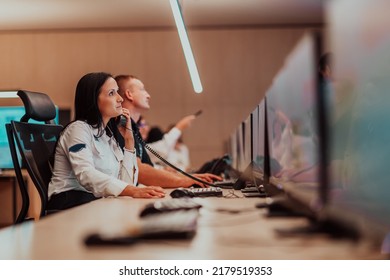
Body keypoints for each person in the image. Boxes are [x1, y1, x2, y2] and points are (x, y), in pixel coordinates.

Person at [47, 72, 165, 210]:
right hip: (69, 203)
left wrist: (129, 141)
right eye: (111, 93)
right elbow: (86, 174)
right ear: (93, 100)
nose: (120, 98)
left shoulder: (107, 136)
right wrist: (131, 190)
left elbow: (127, 183)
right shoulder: (78, 129)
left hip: (92, 202)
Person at [114, 74, 221, 188]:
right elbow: (139, 170)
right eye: (142, 89)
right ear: (129, 94)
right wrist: (184, 181)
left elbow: (146, 167)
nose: (148, 95)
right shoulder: (120, 127)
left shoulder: (133, 129)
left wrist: (185, 177)